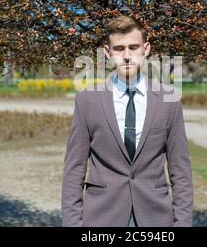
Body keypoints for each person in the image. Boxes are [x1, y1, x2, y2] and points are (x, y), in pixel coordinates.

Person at [61, 15, 193, 227]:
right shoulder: (87, 100)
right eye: (119, 48)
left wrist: (183, 224)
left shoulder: (169, 99)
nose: (127, 56)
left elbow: (181, 171)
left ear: (146, 49)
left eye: (134, 47)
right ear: (107, 52)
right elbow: (74, 170)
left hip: (155, 219)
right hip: (102, 218)